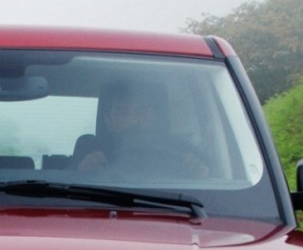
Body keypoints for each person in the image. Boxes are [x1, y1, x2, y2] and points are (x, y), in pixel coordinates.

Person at [73, 76, 210, 179]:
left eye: (142, 111)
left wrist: (201, 173)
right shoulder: (89, 152)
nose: (133, 121)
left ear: (154, 117)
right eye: (123, 113)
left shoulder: (181, 152)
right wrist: (82, 173)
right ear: (107, 120)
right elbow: (67, 193)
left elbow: (208, 195)